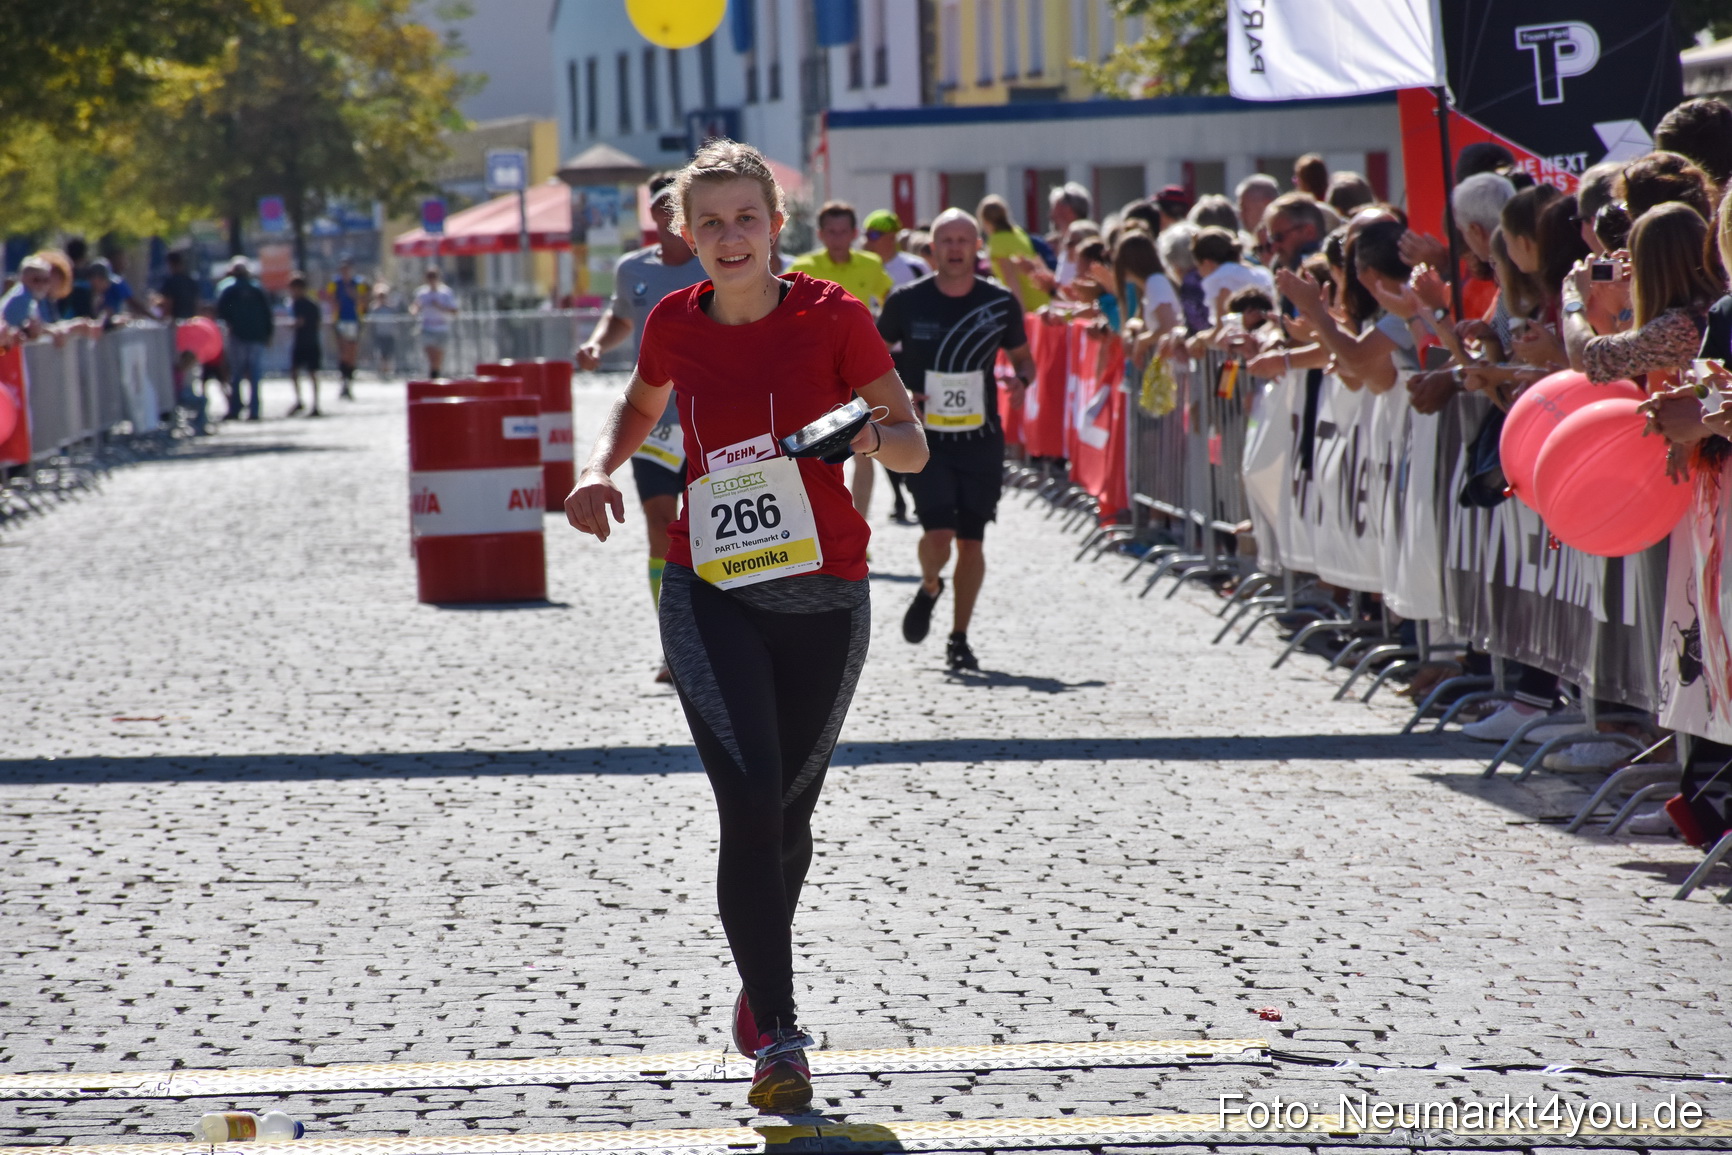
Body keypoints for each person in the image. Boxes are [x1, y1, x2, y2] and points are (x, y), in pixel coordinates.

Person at [563, 139, 927, 1113]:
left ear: (777, 226)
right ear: (682, 235)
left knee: (791, 813)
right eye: (709, 222)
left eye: (745, 219)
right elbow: (638, 408)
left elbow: (914, 448)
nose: (728, 237)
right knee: (751, 801)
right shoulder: (674, 322)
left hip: (826, 594)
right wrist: (599, 469)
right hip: (708, 588)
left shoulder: (836, 316)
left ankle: (756, 978)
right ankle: (780, 1033)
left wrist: (870, 434)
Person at [880, 207, 1036, 672]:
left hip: (981, 438)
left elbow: (1024, 359)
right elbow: (874, 358)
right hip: (925, 439)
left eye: (963, 240)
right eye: (945, 240)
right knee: (939, 534)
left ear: (977, 247)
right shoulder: (907, 301)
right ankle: (931, 584)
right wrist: (903, 391)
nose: (953, 248)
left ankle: (959, 637)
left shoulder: (1000, 302)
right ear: (931, 248)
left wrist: (1022, 382)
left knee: (972, 541)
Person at [576, 172, 712, 680]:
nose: (664, 211)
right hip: (654, 421)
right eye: (656, 203)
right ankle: (673, 642)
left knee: (708, 529)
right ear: (652, 214)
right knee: (660, 526)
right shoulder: (632, 268)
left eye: (671, 201)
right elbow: (619, 318)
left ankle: (718, 632)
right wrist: (595, 344)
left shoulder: (715, 262)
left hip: (707, 420)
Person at [790, 200, 894, 310]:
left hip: (858, 327)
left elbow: (890, 301)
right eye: (831, 231)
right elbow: (785, 304)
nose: (837, 238)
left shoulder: (871, 264)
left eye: (843, 231)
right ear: (820, 234)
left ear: (854, 233)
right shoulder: (802, 268)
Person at [215, 258, 273, 421]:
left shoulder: (230, 291)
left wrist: (232, 322)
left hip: (238, 335)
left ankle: (236, 408)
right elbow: (267, 314)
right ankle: (254, 410)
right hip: (256, 336)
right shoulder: (257, 290)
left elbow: (223, 311)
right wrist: (268, 334)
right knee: (254, 374)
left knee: (237, 374)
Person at [322, 259, 368, 399]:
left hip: (354, 319)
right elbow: (327, 296)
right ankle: (343, 381)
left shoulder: (358, 283)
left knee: (351, 351)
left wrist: (352, 294)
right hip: (340, 319)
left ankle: (349, 381)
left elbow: (364, 299)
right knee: (343, 351)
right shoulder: (335, 284)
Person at [860, 209, 928, 287]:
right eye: (865, 234)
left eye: (873, 235)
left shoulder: (916, 266)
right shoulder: (858, 267)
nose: (867, 240)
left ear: (891, 237)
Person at [287, 274, 324, 416]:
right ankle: (311, 403)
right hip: (310, 341)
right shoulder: (313, 304)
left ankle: (304, 401)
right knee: (307, 373)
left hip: (304, 342)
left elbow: (300, 321)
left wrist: (292, 325)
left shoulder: (300, 304)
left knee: (305, 373)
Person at [412, 267, 458, 377]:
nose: (431, 279)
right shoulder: (421, 293)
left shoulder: (446, 292)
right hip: (427, 328)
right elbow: (414, 307)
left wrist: (440, 306)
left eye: (434, 277)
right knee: (431, 355)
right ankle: (432, 376)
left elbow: (454, 310)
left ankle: (436, 375)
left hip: (441, 328)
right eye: (429, 277)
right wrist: (415, 309)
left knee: (438, 358)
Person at [157, 251, 201, 321]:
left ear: (170, 264)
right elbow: (197, 303)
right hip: (190, 321)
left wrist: (162, 319)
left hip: (175, 321)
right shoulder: (190, 281)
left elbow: (168, 303)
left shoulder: (170, 282)